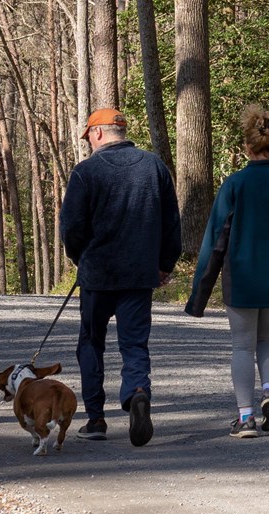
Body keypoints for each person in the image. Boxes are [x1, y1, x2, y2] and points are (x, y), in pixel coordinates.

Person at [185, 104, 269, 438]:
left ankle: (245, 419)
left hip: (242, 278)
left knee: (243, 346)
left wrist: (199, 295)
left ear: (247, 146)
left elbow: (216, 240)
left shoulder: (234, 185)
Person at [61, 108, 181, 446]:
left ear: (97, 133)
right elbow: (172, 222)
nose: (89, 144)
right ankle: (137, 392)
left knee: (90, 343)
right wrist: (164, 265)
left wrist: (79, 258)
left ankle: (96, 419)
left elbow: (71, 227)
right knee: (134, 344)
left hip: (98, 276)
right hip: (140, 274)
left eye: (88, 138)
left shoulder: (86, 172)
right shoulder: (154, 166)